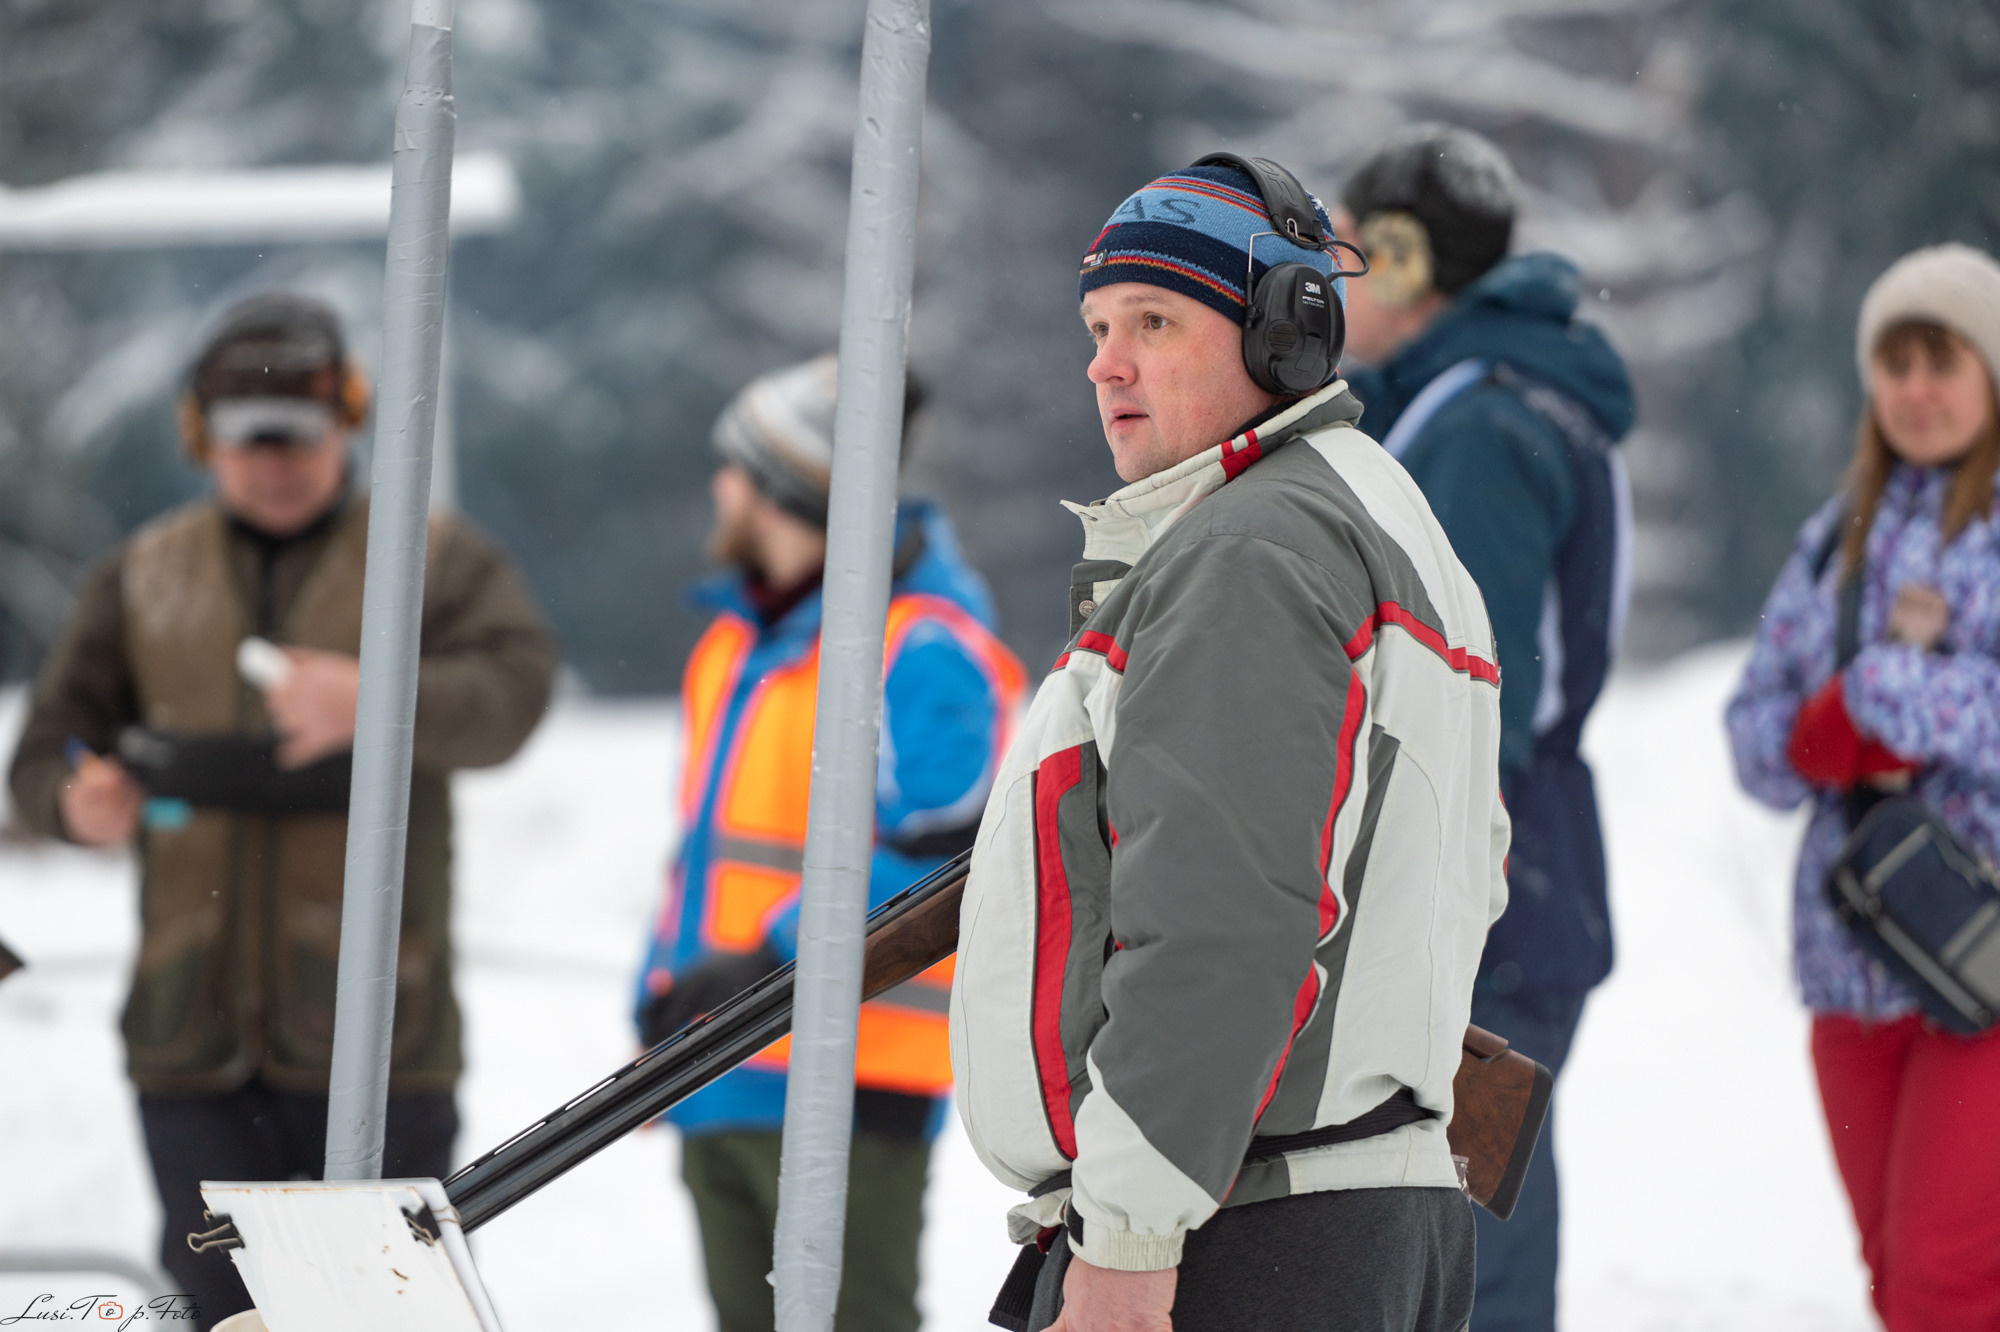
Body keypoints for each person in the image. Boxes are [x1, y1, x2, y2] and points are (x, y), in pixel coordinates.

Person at [949, 156, 1507, 1332]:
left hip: (1243, 1238)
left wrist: (1127, 1242)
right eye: (1098, 326)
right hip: (1358, 1224)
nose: (1106, 360)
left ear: (1281, 337)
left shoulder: (1250, 553)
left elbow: (1220, 928)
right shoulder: (1376, 516)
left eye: (1154, 321)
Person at [6, 293, 558, 1331]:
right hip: (190, 1041)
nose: (271, 462)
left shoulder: (433, 560)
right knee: (224, 1311)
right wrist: (74, 802)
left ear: (345, 418)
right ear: (199, 439)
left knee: (381, 1313)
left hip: (383, 1036)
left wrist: (376, 699)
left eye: (295, 435)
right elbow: (43, 752)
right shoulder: (139, 576)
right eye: (244, 439)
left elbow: (516, 697)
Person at [635, 355, 1025, 1332]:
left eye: (733, 466)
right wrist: (660, 998)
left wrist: (767, 958)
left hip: (850, 1076)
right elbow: (703, 854)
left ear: (778, 490)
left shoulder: (922, 648)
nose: (717, 487)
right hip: (715, 1065)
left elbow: (945, 866)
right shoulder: (735, 644)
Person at [1333, 124, 1637, 1332]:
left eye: (1353, 253)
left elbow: (1470, 700)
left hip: (1485, 867)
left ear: (1406, 259)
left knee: (1465, 1251)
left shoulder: (1476, 430)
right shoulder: (1487, 401)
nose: (1338, 281)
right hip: (1515, 858)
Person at [1725, 243, 2000, 1331]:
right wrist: (1820, 734)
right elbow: (1755, 740)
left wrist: (1884, 694)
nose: (1916, 390)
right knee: (1894, 1274)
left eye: (1942, 360)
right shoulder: (1828, 542)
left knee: (1945, 1281)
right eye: (1895, 364)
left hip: (1981, 965)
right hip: (1849, 959)